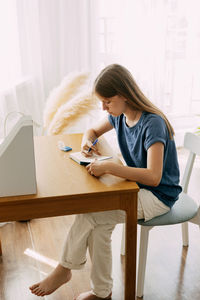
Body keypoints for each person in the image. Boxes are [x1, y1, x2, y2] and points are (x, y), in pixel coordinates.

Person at [29, 64, 182, 300]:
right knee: (99, 225)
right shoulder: (119, 116)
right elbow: (91, 130)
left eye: (107, 101)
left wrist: (112, 167)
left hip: (159, 196)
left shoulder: (153, 124)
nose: (104, 107)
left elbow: (154, 177)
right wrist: (87, 143)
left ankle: (64, 269)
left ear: (124, 95)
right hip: (136, 189)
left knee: (91, 214)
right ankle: (102, 293)